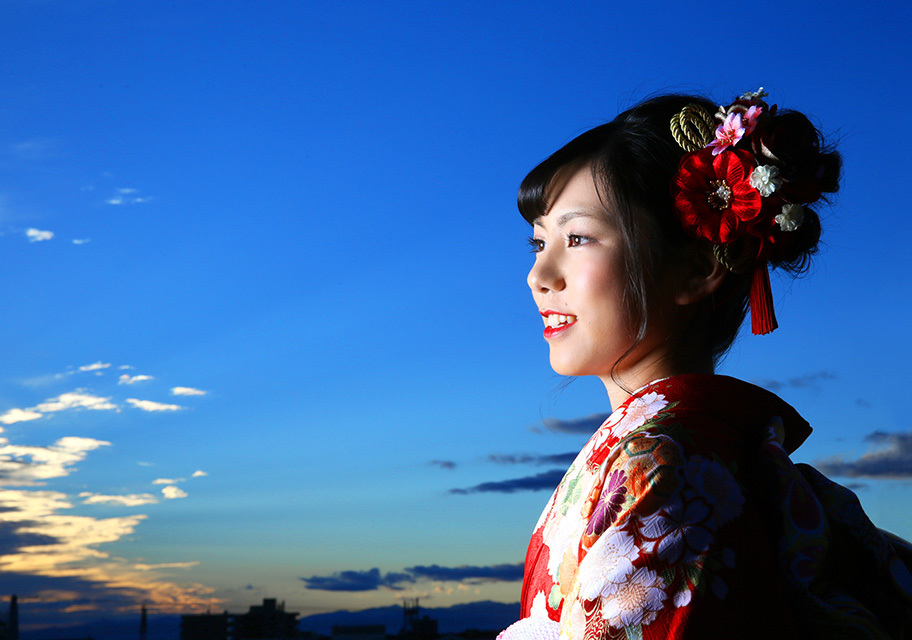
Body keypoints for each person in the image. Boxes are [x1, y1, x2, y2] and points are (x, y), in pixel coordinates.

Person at [498, 90, 912, 639]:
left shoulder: (668, 467)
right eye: (538, 243)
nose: (539, 276)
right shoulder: (692, 450)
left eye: (577, 238)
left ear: (697, 268)